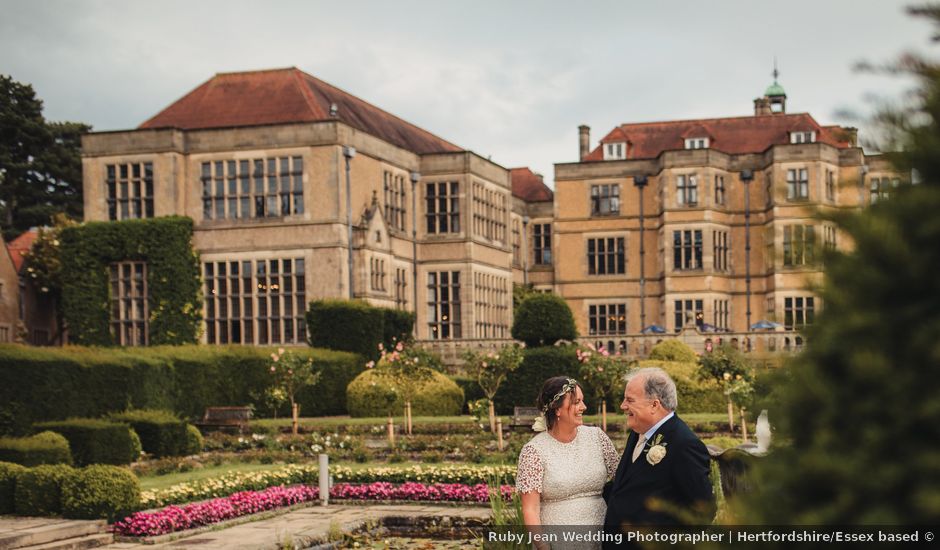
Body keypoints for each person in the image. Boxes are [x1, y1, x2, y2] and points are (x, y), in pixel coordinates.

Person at [603, 368, 715, 547]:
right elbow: (626, 487)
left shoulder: (684, 444)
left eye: (630, 400)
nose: (623, 406)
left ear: (654, 405)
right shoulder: (638, 431)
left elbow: (702, 512)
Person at [516, 377, 619, 548]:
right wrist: (542, 546)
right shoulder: (534, 451)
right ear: (557, 409)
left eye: (582, 401)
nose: (584, 407)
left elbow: (623, 479)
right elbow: (530, 509)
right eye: (577, 402)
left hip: (602, 538)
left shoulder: (597, 437)